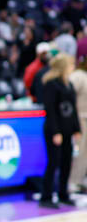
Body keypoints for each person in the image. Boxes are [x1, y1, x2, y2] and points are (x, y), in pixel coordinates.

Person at [38, 54, 81, 208]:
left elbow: (73, 109)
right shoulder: (51, 84)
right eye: (70, 64)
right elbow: (50, 110)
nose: (73, 67)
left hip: (68, 129)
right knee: (53, 162)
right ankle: (46, 196)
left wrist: (77, 129)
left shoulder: (68, 84)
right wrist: (55, 132)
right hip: (54, 130)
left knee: (66, 162)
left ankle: (63, 194)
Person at [68, 59, 87, 192]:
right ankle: (72, 182)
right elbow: (67, 94)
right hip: (79, 119)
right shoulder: (78, 76)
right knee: (78, 151)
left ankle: (79, 180)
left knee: (85, 154)